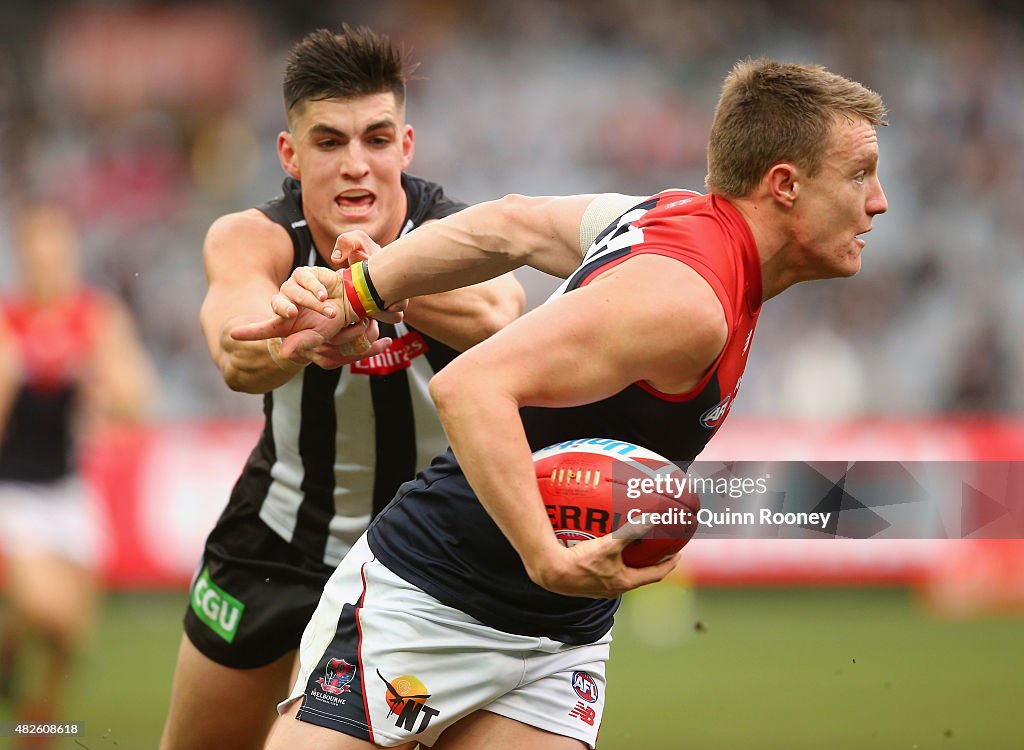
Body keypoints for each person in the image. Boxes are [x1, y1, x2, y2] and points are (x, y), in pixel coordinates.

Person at [237, 58, 889, 749]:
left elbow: (512, 225)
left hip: (562, 639)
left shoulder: (668, 217)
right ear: (784, 185)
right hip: (429, 601)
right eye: (859, 173)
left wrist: (362, 290)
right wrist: (548, 558)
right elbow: (470, 386)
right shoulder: (687, 301)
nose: (878, 200)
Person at [158, 26, 524, 750]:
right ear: (291, 156)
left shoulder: (451, 230)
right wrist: (306, 332)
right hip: (277, 543)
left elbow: (498, 313)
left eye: (376, 139)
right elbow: (237, 354)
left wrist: (367, 288)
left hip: (431, 560)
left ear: (406, 147)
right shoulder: (253, 236)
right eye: (329, 142)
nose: (356, 165)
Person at [0, 201, 155, 744]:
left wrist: (103, 384)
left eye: (57, 248)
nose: (48, 259)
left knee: (74, 639)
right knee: (52, 615)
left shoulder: (93, 315)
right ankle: (8, 646)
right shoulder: (7, 320)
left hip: (68, 488)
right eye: (38, 249)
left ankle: (36, 726)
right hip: (14, 491)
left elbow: (135, 401)